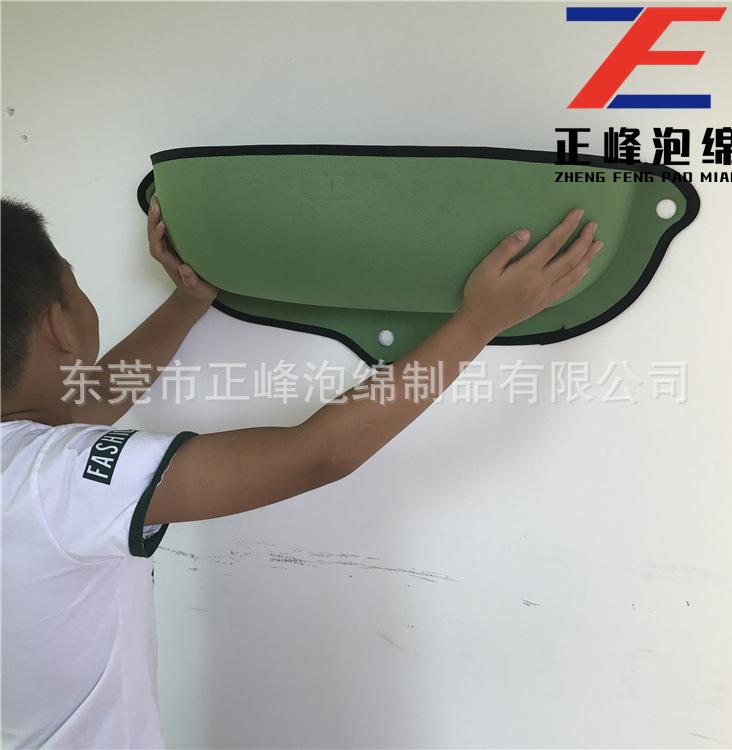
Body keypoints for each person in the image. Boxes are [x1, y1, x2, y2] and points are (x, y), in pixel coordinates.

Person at [1, 193, 603, 748]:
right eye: (75, 287)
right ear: (59, 325)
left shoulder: (31, 460)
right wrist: (478, 321)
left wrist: (188, 302)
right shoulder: (56, 481)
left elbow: (84, 400)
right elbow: (317, 453)